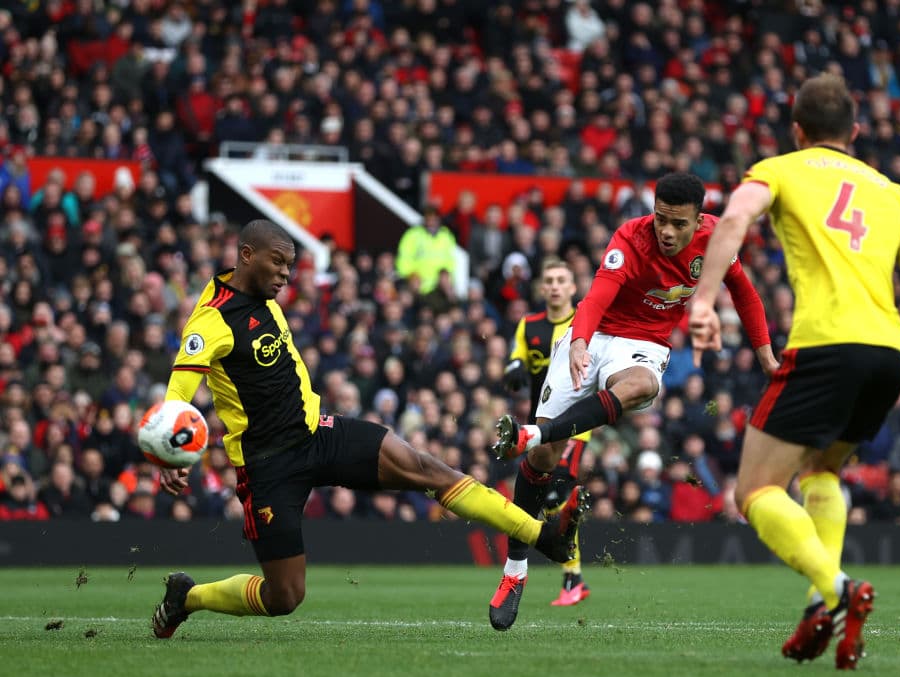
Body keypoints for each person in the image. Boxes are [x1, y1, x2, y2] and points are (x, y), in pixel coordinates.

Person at [148, 219, 585, 639]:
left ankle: (543, 536)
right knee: (285, 595)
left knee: (425, 467)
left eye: (289, 265)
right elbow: (178, 392)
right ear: (246, 256)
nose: (285, 274)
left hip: (317, 433)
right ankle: (188, 597)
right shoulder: (212, 319)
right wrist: (171, 455)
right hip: (268, 465)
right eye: (278, 263)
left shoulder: (263, 296)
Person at [687, 75, 900, 669]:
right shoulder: (892, 191)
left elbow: (734, 220)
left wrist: (705, 301)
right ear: (856, 132)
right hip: (888, 356)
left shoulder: (783, 168)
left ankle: (838, 588)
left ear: (798, 130)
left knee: (755, 489)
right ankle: (821, 604)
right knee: (821, 469)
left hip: (824, 347)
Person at [491, 172, 778, 625]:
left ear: (697, 220)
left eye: (677, 224)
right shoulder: (631, 237)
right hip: (595, 334)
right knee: (544, 460)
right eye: (661, 218)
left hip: (641, 347)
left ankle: (536, 430)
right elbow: (596, 299)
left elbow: (745, 293)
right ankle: (515, 570)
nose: (666, 230)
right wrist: (580, 342)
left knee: (642, 385)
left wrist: (766, 356)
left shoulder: (715, 238)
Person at [490, 259, 593, 631]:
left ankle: (573, 578)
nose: (553, 286)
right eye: (548, 280)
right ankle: (572, 573)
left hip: (577, 426)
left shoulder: (583, 323)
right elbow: (514, 359)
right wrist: (513, 371)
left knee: (552, 498)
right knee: (547, 500)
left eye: (560, 280)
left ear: (572, 287)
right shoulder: (528, 325)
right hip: (540, 425)